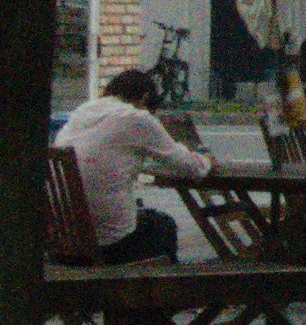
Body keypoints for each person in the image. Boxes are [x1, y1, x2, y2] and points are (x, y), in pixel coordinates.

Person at [57, 63, 214, 259]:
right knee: (163, 225)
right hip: (109, 243)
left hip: (65, 240)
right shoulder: (136, 118)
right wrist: (205, 158)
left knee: (143, 216)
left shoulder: (83, 111)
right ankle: (161, 286)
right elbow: (191, 167)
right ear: (144, 97)